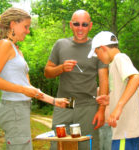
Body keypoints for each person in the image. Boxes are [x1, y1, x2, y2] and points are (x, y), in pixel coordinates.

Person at [0, 7, 69, 150]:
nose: (28, 31)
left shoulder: (18, 51)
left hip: (21, 109)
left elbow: (29, 88)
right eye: (26, 26)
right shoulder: (5, 45)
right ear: (13, 24)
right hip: (13, 109)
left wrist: (54, 101)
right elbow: (24, 89)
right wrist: (23, 89)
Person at [44, 10, 109, 150]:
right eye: (76, 24)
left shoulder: (97, 47)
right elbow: (47, 72)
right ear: (70, 25)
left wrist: (102, 110)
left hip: (88, 104)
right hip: (65, 103)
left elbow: (104, 80)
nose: (80, 28)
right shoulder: (60, 44)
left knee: (88, 145)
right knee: (59, 144)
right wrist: (61, 68)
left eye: (84, 24)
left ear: (90, 26)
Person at [88, 31, 139, 150]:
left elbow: (136, 78)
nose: (98, 57)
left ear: (103, 48)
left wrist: (118, 107)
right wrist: (111, 99)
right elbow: (129, 90)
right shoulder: (115, 63)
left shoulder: (120, 58)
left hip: (125, 131)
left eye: (97, 53)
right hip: (126, 131)